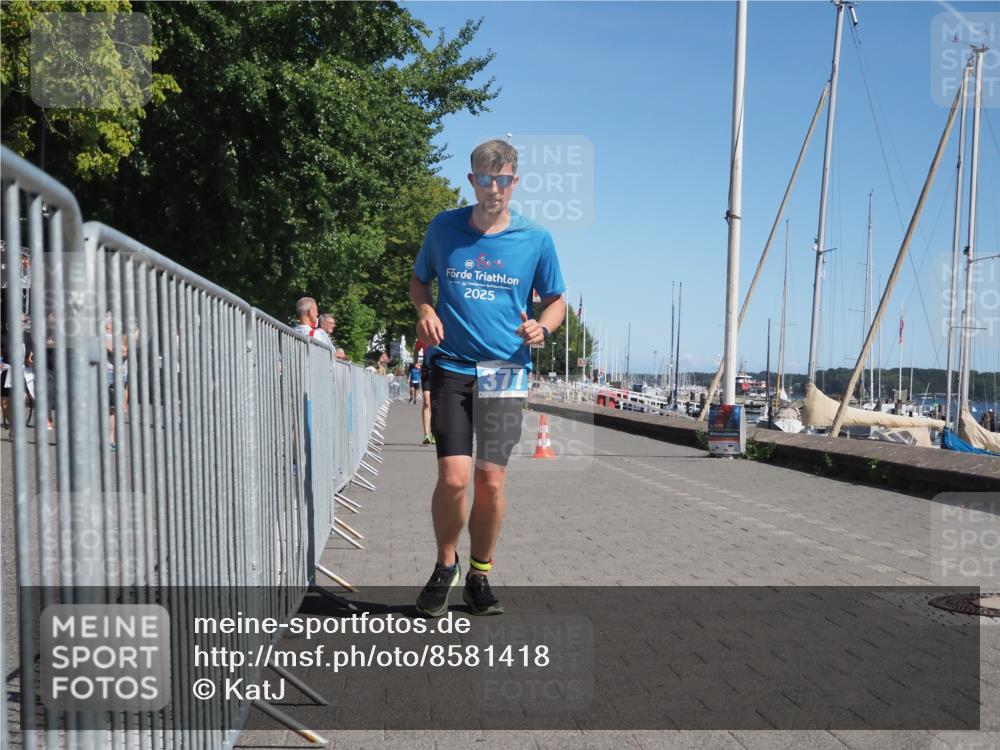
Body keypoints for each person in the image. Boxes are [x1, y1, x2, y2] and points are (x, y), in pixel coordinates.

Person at [409, 139, 566, 617]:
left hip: (506, 371)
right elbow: (420, 280)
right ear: (471, 178)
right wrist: (425, 308)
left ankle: (480, 573)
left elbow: (556, 299)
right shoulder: (444, 228)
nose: (494, 187)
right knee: (454, 480)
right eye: (485, 177)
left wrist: (544, 325)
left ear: (514, 182)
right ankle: (444, 565)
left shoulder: (536, 239)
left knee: (491, 483)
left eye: (503, 179)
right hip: (453, 366)